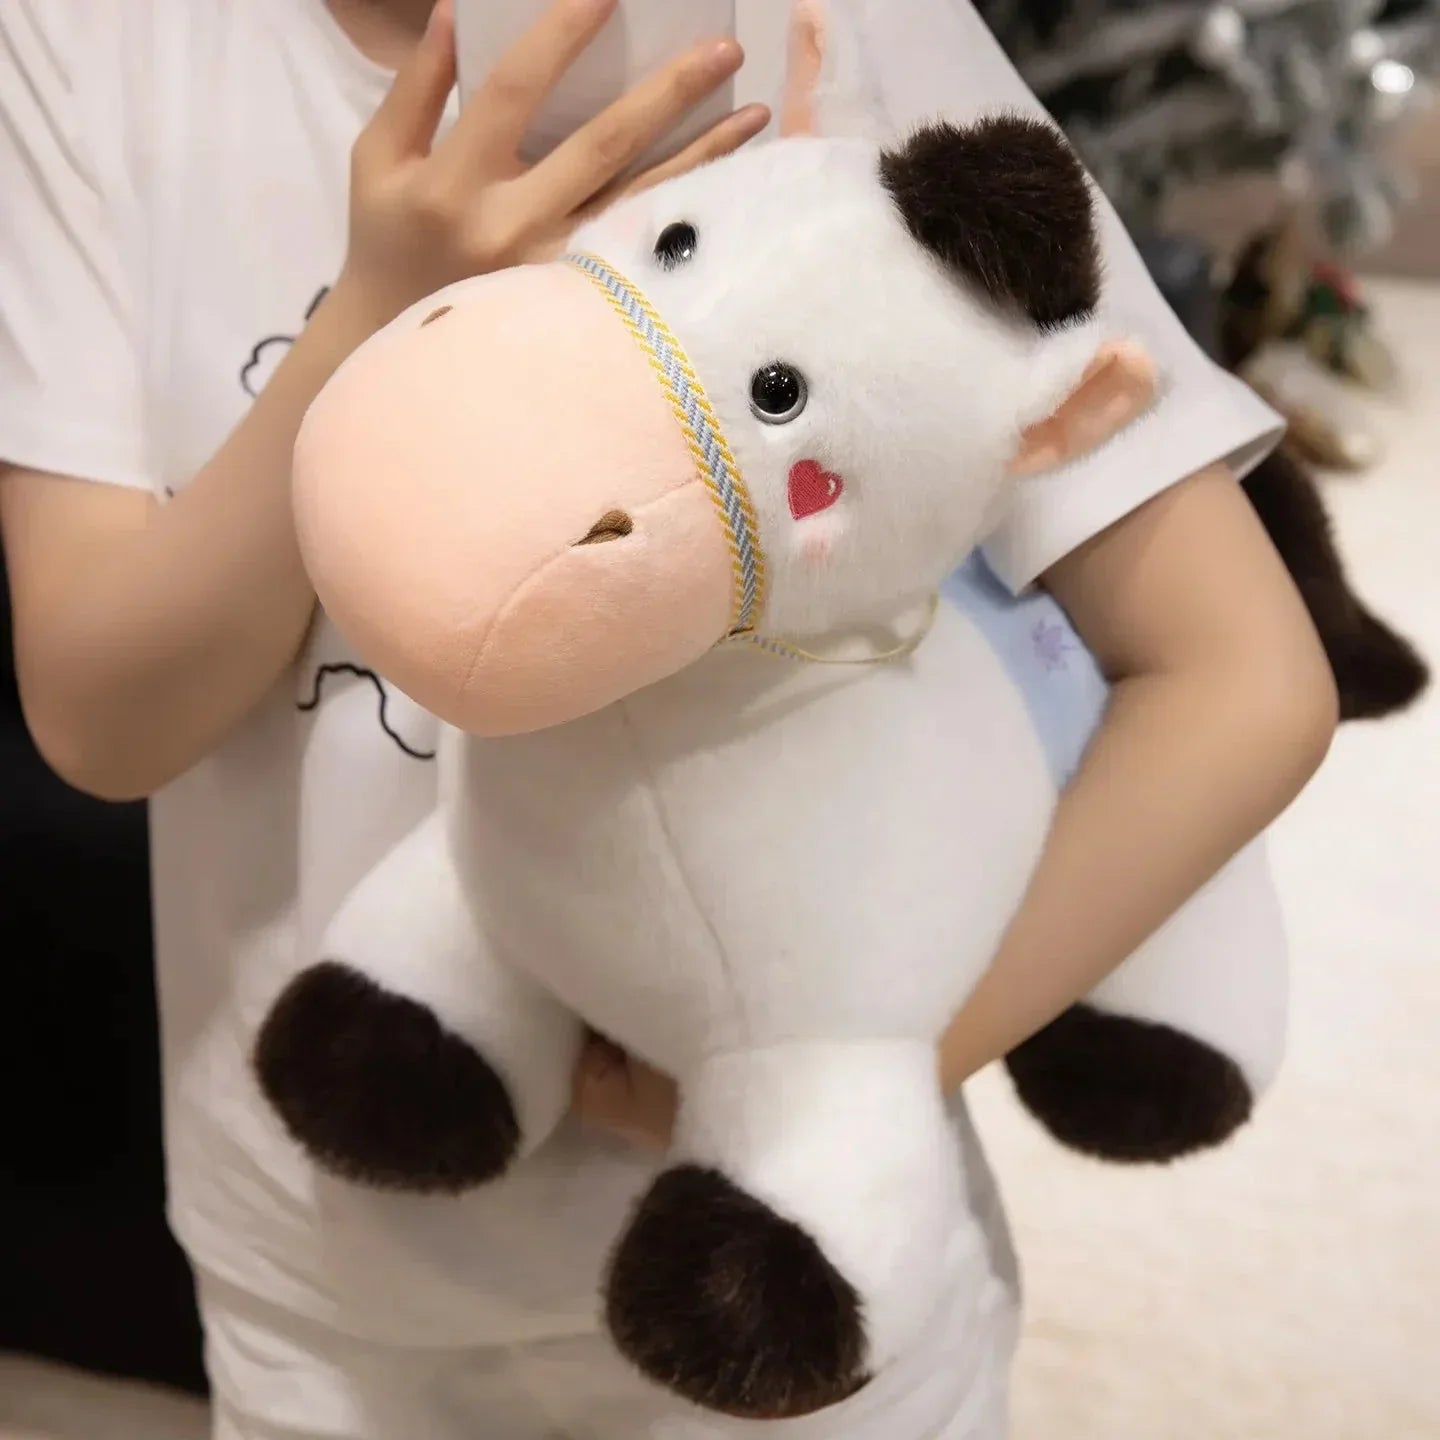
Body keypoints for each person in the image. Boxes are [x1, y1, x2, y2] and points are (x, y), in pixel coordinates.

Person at [0, 0, 1337, 1436]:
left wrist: (851, 1067)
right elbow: (104, 723)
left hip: (799, 1274)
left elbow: (1239, 677)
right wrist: (377, 318)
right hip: (322, 1279)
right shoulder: (96, 42)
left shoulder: (838, 24)